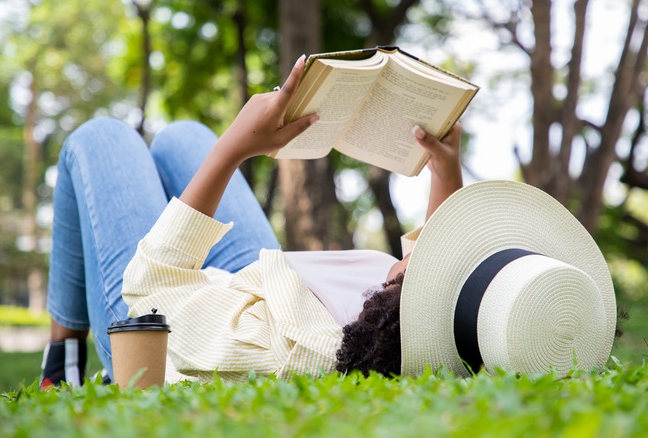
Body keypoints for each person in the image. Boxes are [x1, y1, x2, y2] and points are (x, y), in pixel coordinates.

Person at [41, 54, 618, 388]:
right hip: (264, 288)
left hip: (177, 329)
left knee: (102, 137)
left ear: (415, 299)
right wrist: (446, 171)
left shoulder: (295, 353)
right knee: (183, 136)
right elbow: (426, 262)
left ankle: (61, 358)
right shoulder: (422, 327)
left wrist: (236, 147)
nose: (445, 248)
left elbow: (152, 289)